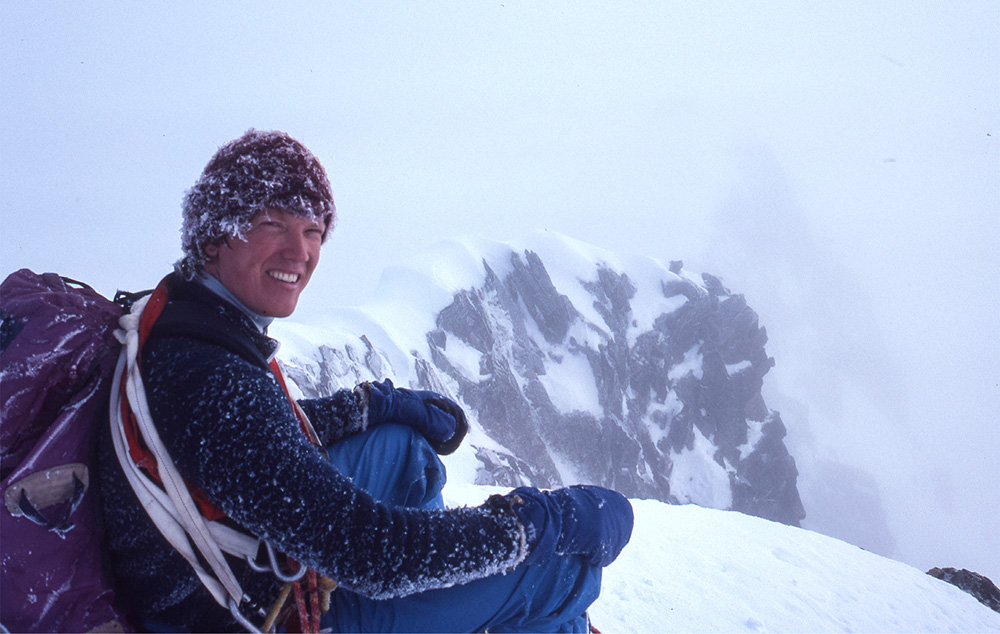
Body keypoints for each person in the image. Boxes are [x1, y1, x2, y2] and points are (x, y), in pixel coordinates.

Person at [98, 129, 633, 633]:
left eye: (312, 231)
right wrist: (536, 524)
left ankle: (445, 610)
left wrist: (371, 406)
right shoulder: (209, 377)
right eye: (273, 225)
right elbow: (372, 553)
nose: (299, 251)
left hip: (222, 569)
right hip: (243, 616)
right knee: (559, 573)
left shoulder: (189, 319)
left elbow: (262, 437)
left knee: (401, 449)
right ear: (215, 237)